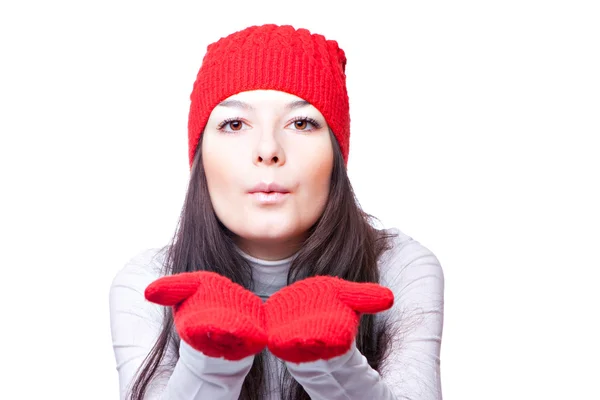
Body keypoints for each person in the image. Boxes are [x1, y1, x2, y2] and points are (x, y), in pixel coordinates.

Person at [109, 23, 445, 400]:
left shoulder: (398, 267)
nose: (268, 149)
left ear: (336, 155)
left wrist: (332, 363)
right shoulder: (151, 284)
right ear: (200, 157)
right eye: (234, 124)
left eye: (301, 123)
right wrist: (211, 362)